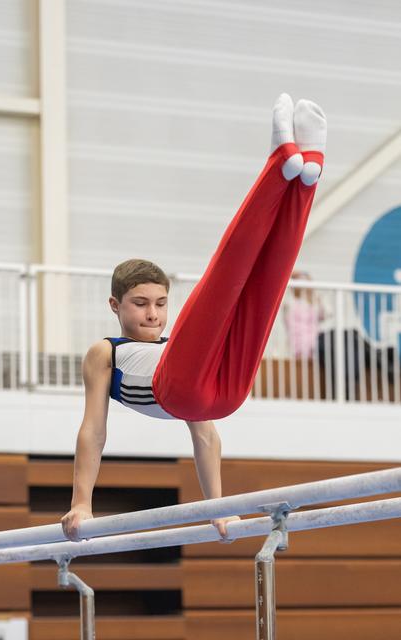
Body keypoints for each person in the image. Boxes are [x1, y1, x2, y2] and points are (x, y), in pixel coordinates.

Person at [61, 93, 327, 543]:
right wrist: (81, 502)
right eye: (140, 303)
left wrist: (216, 508)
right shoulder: (106, 351)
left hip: (218, 394)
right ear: (115, 306)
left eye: (161, 303)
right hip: (184, 387)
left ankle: (299, 176)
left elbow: (205, 437)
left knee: (257, 286)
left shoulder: (175, 344)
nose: (153, 314)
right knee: (239, 285)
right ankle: (286, 173)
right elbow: (94, 428)